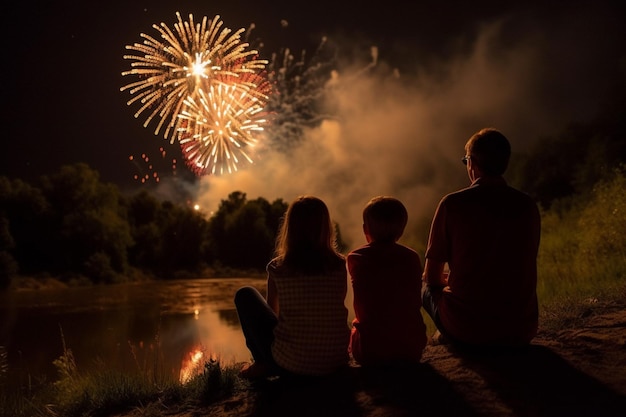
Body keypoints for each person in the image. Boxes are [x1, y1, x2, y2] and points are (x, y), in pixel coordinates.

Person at [421, 128, 541, 348]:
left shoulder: (452, 204)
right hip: (522, 329)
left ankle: (448, 334)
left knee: (426, 289)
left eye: (466, 160)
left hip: (470, 329)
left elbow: (431, 277)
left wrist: (449, 281)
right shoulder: (527, 205)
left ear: (472, 163)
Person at [234, 195, 350, 379]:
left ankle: (263, 363)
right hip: (335, 360)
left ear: (290, 228)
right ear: (325, 227)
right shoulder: (340, 265)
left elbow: (274, 314)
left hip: (292, 365)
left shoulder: (278, 268)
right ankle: (267, 363)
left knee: (245, 294)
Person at [348, 196, 427, 365]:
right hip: (411, 348)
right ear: (401, 231)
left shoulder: (356, 258)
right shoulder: (412, 257)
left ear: (365, 229)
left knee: (356, 328)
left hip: (369, 351)